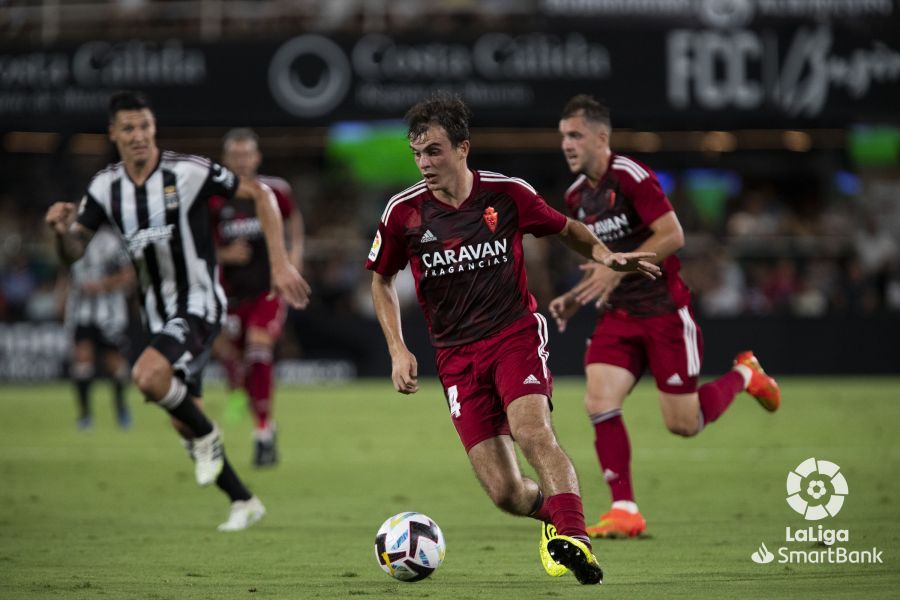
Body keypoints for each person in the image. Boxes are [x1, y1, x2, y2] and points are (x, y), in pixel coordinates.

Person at [366, 92, 660, 585]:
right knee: (505, 493)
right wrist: (398, 347)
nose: (425, 163)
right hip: (456, 358)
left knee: (531, 431)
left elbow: (566, 228)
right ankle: (554, 520)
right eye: (417, 154)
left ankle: (577, 539)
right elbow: (379, 279)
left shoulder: (507, 195)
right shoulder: (404, 213)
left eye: (434, 151)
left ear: (463, 148)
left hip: (513, 335)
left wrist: (607, 256)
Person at [45, 91, 310, 531]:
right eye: (128, 129)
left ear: (154, 129)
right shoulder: (104, 187)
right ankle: (243, 500)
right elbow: (74, 252)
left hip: (200, 303)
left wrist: (281, 264)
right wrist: (58, 233)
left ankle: (214, 437)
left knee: (148, 377)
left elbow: (260, 194)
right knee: (182, 421)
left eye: (145, 127)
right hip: (157, 313)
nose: (139, 136)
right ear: (113, 133)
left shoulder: (188, 171)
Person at [549, 94, 781, 539]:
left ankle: (744, 376)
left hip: (663, 313)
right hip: (618, 316)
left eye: (575, 135)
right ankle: (625, 510)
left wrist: (622, 265)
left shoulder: (632, 176)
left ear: (602, 137)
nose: (567, 144)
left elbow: (672, 235)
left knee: (684, 424)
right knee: (598, 401)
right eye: (563, 136)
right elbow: (604, 262)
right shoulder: (577, 197)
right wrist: (577, 297)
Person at [209, 128, 305, 466]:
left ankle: (263, 433)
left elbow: (294, 227)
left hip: (269, 290)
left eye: (246, 154)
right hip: (228, 295)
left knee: (258, 347)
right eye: (235, 156)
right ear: (225, 159)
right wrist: (223, 255)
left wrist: (292, 267)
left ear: (257, 157)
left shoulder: (275, 191)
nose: (241, 161)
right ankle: (240, 391)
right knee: (231, 355)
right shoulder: (212, 197)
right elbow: (199, 244)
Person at [60, 224, 135, 430]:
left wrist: (101, 285)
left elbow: (128, 277)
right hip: (80, 313)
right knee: (82, 359)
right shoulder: (72, 238)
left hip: (109, 315)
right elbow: (66, 270)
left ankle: (121, 409)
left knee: (115, 364)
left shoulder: (111, 241)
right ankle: (85, 416)